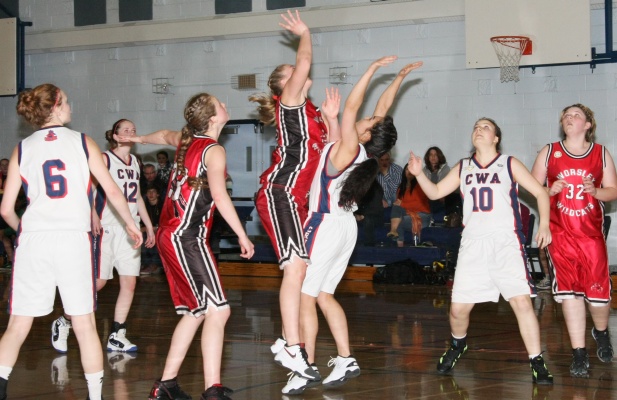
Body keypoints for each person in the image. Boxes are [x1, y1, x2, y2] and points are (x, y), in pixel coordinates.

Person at [282, 57, 423, 395]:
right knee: (324, 296)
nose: (368, 116)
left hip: (324, 223)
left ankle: (305, 365)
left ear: (367, 133)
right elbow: (382, 110)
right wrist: (398, 79)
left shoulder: (349, 146)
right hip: (345, 228)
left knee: (303, 298)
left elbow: (354, 107)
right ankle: (345, 358)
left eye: (370, 121)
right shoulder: (363, 154)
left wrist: (372, 69)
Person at [0, 83, 142, 400]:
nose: (70, 106)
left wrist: (27, 231)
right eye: (66, 101)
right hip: (72, 239)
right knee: (85, 325)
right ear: (55, 106)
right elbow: (112, 191)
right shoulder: (82, 142)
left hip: (34, 239)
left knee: (17, 326)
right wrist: (132, 225)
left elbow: (6, 210)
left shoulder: (22, 149)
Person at [118, 92, 255, 400]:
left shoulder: (186, 140)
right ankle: (212, 389)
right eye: (220, 104)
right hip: (185, 236)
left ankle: (166, 385)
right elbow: (219, 196)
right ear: (213, 118)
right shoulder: (213, 149)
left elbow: (162, 135)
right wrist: (242, 235)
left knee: (196, 312)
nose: (225, 105)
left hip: (174, 234)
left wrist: (138, 138)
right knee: (219, 310)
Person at [407, 117, 554, 384]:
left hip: (505, 243)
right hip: (473, 244)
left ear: (496, 138)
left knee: (522, 303)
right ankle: (457, 344)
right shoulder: (463, 166)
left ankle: (537, 361)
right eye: (476, 126)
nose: (478, 129)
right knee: (457, 310)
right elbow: (436, 192)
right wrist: (418, 174)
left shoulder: (508, 163)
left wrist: (544, 224)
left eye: (485, 127)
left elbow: (541, 193)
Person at [248, 10, 340, 380]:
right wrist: (305, 32)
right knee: (295, 268)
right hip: (280, 191)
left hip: (297, 201)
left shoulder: (312, 113)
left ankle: (293, 346)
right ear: (283, 86)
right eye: (292, 72)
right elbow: (304, 60)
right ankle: (290, 345)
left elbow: (334, 152)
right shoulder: (290, 102)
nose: (299, 71)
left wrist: (332, 117)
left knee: (299, 272)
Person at [50, 119, 156, 355]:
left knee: (129, 283)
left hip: (130, 229)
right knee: (98, 283)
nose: (131, 132)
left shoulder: (135, 162)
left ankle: (117, 334)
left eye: (133, 129)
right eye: (125, 129)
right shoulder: (105, 159)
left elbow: (137, 196)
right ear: (115, 136)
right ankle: (64, 321)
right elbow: (86, 188)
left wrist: (148, 225)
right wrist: (93, 214)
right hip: (107, 227)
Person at [531, 103, 617, 377]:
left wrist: (597, 191)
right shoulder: (550, 151)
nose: (569, 118)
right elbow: (532, 186)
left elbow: (613, 190)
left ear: (587, 124)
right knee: (570, 294)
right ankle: (578, 352)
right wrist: (548, 190)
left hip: (591, 235)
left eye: (575, 115)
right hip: (561, 234)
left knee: (598, 297)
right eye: (565, 115)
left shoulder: (600, 153)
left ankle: (600, 332)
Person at [387, 165, 431, 246]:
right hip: (408, 212)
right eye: (407, 169)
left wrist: (402, 204)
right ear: (404, 172)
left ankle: (399, 245)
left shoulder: (420, 185)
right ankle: (393, 231)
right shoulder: (401, 187)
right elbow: (399, 204)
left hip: (422, 215)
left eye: (411, 169)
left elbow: (419, 204)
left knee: (399, 222)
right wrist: (399, 204)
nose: (409, 172)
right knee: (396, 207)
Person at [422, 146, 451, 223]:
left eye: (435, 155)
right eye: (431, 155)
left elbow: (446, 185)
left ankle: (434, 220)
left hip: (441, 196)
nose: (433, 157)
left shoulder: (445, 169)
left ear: (439, 156)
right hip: (428, 197)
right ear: (428, 157)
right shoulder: (424, 170)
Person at [140, 184, 164, 275]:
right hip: (147, 231)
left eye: (153, 191)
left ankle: (155, 264)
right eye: (149, 192)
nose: (151, 194)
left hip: (160, 231)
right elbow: (140, 225)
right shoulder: (144, 207)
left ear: (158, 194)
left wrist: (154, 228)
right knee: (143, 237)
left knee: (156, 237)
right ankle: (145, 264)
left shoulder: (162, 206)